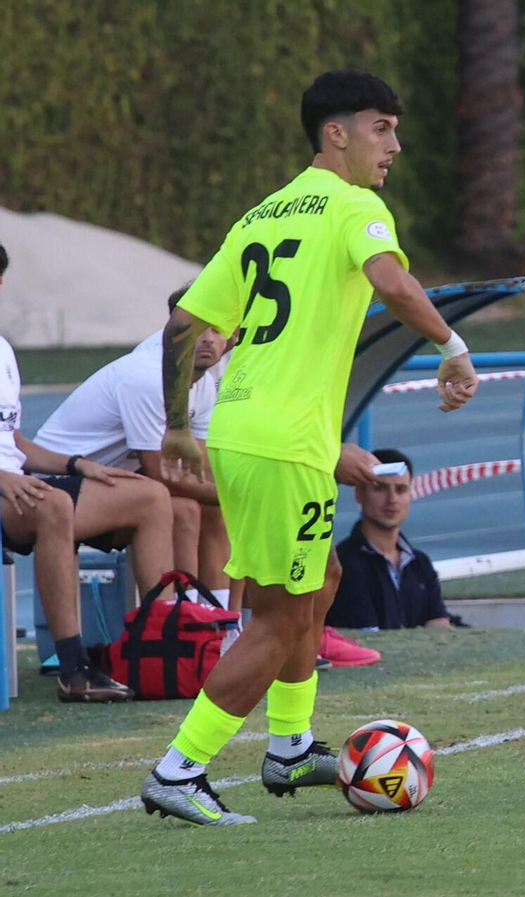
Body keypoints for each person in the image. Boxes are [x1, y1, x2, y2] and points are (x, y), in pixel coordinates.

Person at [141, 70, 480, 825]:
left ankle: (289, 748)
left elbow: (181, 325)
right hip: (287, 443)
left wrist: (174, 425)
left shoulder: (260, 215)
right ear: (338, 132)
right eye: (381, 127)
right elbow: (392, 283)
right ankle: (178, 768)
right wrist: (453, 345)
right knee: (282, 619)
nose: (393, 143)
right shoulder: (356, 207)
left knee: (317, 580)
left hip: (240, 428)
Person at [0, 243, 180, 703]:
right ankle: (74, 668)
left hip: (20, 486)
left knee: (149, 495)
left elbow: (14, 441)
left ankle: (159, 647)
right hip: (8, 490)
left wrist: (79, 466)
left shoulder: (3, 351)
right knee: (55, 505)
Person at [34, 285, 232, 590]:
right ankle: (177, 620)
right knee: (183, 509)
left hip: (109, 480)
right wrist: (237, 498)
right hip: (52, 481)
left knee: (211, 508)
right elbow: (159, 473)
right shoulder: (147, 377)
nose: (207, 338)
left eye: (216, 329)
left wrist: (237, 495)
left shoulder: (202, 382)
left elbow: (199, 468)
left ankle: (222, 627)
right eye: (197, 329)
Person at [327, 449, 450, 631]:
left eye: (401, 490)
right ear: (359, 494)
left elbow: (438, 624)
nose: (392, 499)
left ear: (410, 495)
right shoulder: (345, 564)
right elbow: (368, 639)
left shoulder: (420, 563)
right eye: (380, 488)